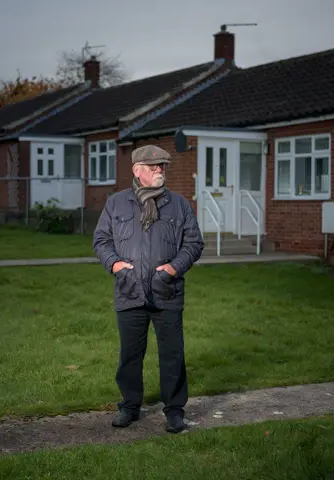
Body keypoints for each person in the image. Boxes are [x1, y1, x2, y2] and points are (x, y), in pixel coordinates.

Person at [93, 144, 204, 434]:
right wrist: (116, 266)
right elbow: (101, 241)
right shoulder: (116, 203)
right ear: (137, 170)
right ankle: (129, 406)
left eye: (163, 166)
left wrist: (173, 268)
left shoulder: (179, 204)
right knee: (130, 355)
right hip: (130, 291)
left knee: (172, 355)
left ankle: (175, 411)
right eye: (154, 166)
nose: (159, 170)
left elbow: (193, 243)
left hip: (167, 292)